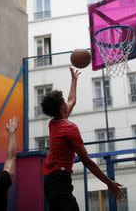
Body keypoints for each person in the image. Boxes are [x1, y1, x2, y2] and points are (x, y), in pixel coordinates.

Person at [41, 67, 125, 210]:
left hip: (50, 180)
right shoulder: (69, 128)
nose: (67, 104)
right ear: (62, 107)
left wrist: (74, 80)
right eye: (64, 103)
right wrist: (108, 182)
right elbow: (87, 161)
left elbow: (71, 100)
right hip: (60, 180)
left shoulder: (53, 123)